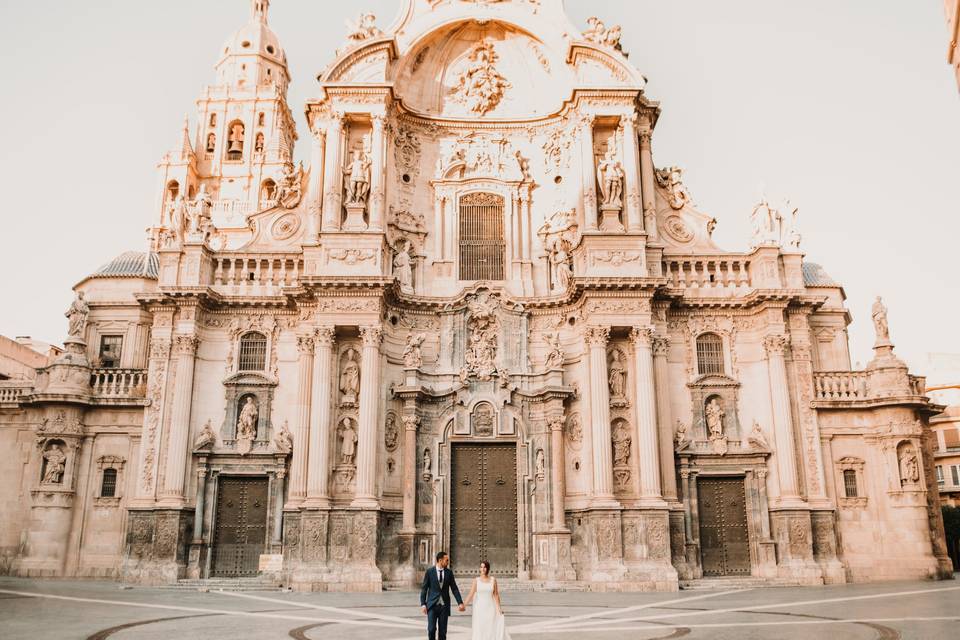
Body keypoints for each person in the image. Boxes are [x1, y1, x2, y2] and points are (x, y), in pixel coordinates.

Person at [420, 551, 464, 640]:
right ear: (440, 560)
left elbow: (454, 588)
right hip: (432, 605)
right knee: (431, 629)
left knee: (443, 632)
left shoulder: (449, 573)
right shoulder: (429, 572)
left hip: (444, 606)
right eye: (446, 560)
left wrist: (460, 602)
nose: (448, 562)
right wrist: (423, 604)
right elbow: (424, 589)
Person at [464, 560, 511, 640]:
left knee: (490, 628)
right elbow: (471, 594)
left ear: (488, 569)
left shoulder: (493, 580)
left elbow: (496, 594)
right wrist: (463, 605)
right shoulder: (476, 580)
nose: (483, 569)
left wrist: (499, 608)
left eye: (484, 567)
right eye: (481, 567)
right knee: (480, 628)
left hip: (490, 607)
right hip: (479, 609)